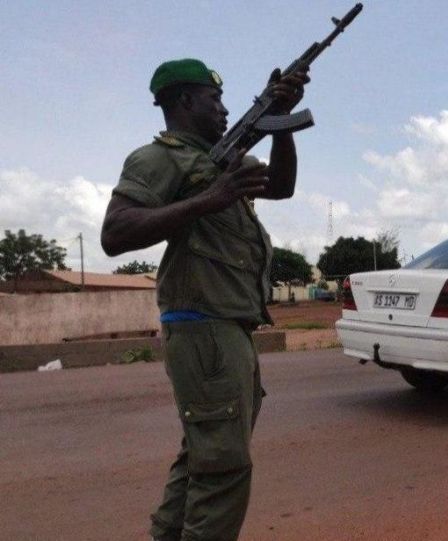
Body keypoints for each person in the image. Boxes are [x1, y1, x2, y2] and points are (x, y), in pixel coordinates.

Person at [100, 58, 309, 541]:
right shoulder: (159, 159)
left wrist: (280, 122)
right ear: (184, 101)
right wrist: (207, 200)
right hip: (204, 327)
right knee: (223, 468)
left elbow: (281, 186)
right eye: (214, 99)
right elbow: (115, 233)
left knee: (205, 454)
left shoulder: (221, 158)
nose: (224, 109)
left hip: (227, 328)